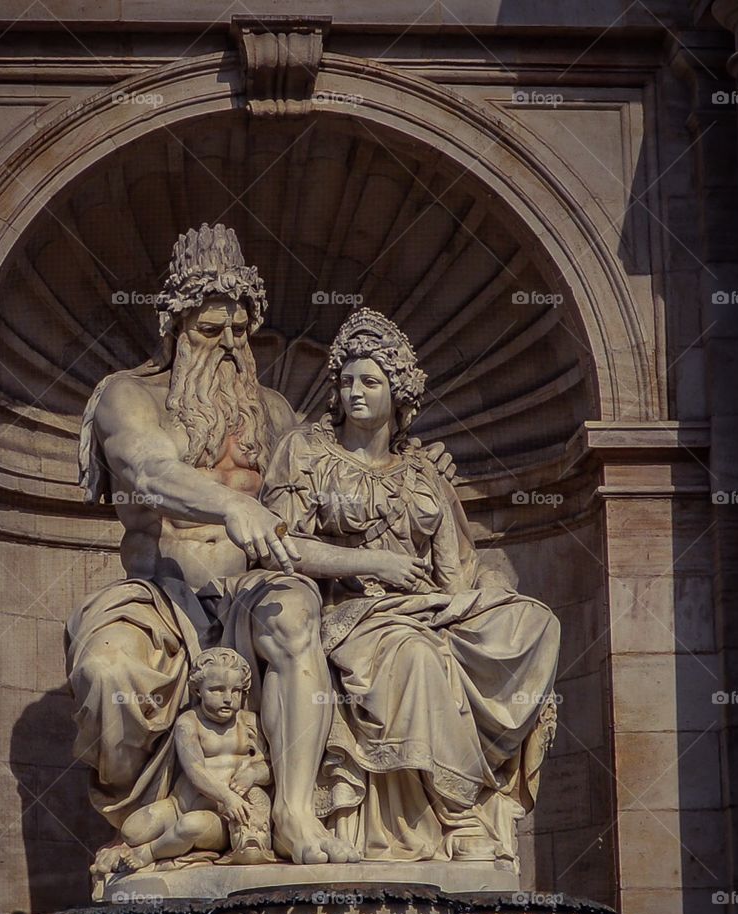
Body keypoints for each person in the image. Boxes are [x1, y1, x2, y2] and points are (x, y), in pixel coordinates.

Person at [68, 226, 455, 868]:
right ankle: (136, 812)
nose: (225, 347)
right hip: (159, 596)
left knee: (295, 611)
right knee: (109, 671)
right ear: (173, 325)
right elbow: (148, 471)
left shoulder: (273, 414)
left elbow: (339, 480)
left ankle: (294, 815)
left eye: (239, 332)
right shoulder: (126, 396)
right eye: (208, 330)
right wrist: (232, 503)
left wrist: (415, 464)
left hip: (250, 595)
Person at [251, 308, 561, 862]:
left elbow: (458, 567)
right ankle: (458, 813)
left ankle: (476, 791)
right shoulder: (305, 453)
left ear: (398, 393)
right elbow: (283, 544)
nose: (355, 393)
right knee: (418, 655)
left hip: (423, 609)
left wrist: (475, 595)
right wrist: (372, 562)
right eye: (346, 381)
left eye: (370, 381)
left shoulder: (424, 475)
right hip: (347, 614)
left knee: (534, 621)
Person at [95, 648, 272, 877]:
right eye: (217, 690)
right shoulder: (189, 722)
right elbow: (194, 768)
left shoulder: (249, 723)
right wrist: (227, 795)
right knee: (131, 831)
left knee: (191, 826)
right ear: (197, 690)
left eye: (236, 691)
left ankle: (149, 853)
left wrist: (252, 775)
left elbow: (270, 766)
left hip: (222, 818)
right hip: (179, 805)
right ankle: (161, 842)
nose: (228, 698)